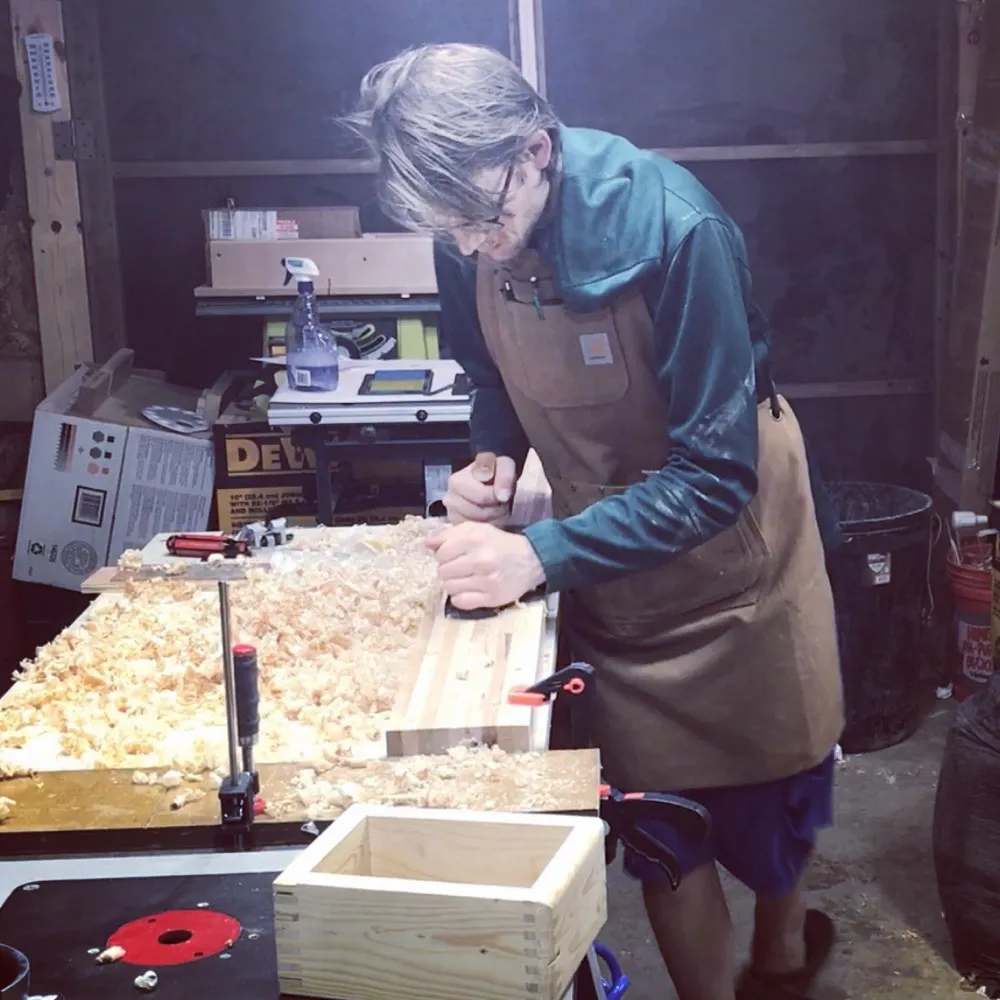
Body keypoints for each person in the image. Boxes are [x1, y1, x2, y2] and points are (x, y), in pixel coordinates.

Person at [348, 43, 844, 1000]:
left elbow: (713, 475)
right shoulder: (467, 230)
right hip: (606, 556)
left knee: (782, 776)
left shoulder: (678, 228)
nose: (471, 246)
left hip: (736, 544)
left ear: (535, 151)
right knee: (663, 826)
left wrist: (537, 553)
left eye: (482, 219)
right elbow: (488, 377)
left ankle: (783, 955)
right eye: (447, 229)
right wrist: (492, 459)